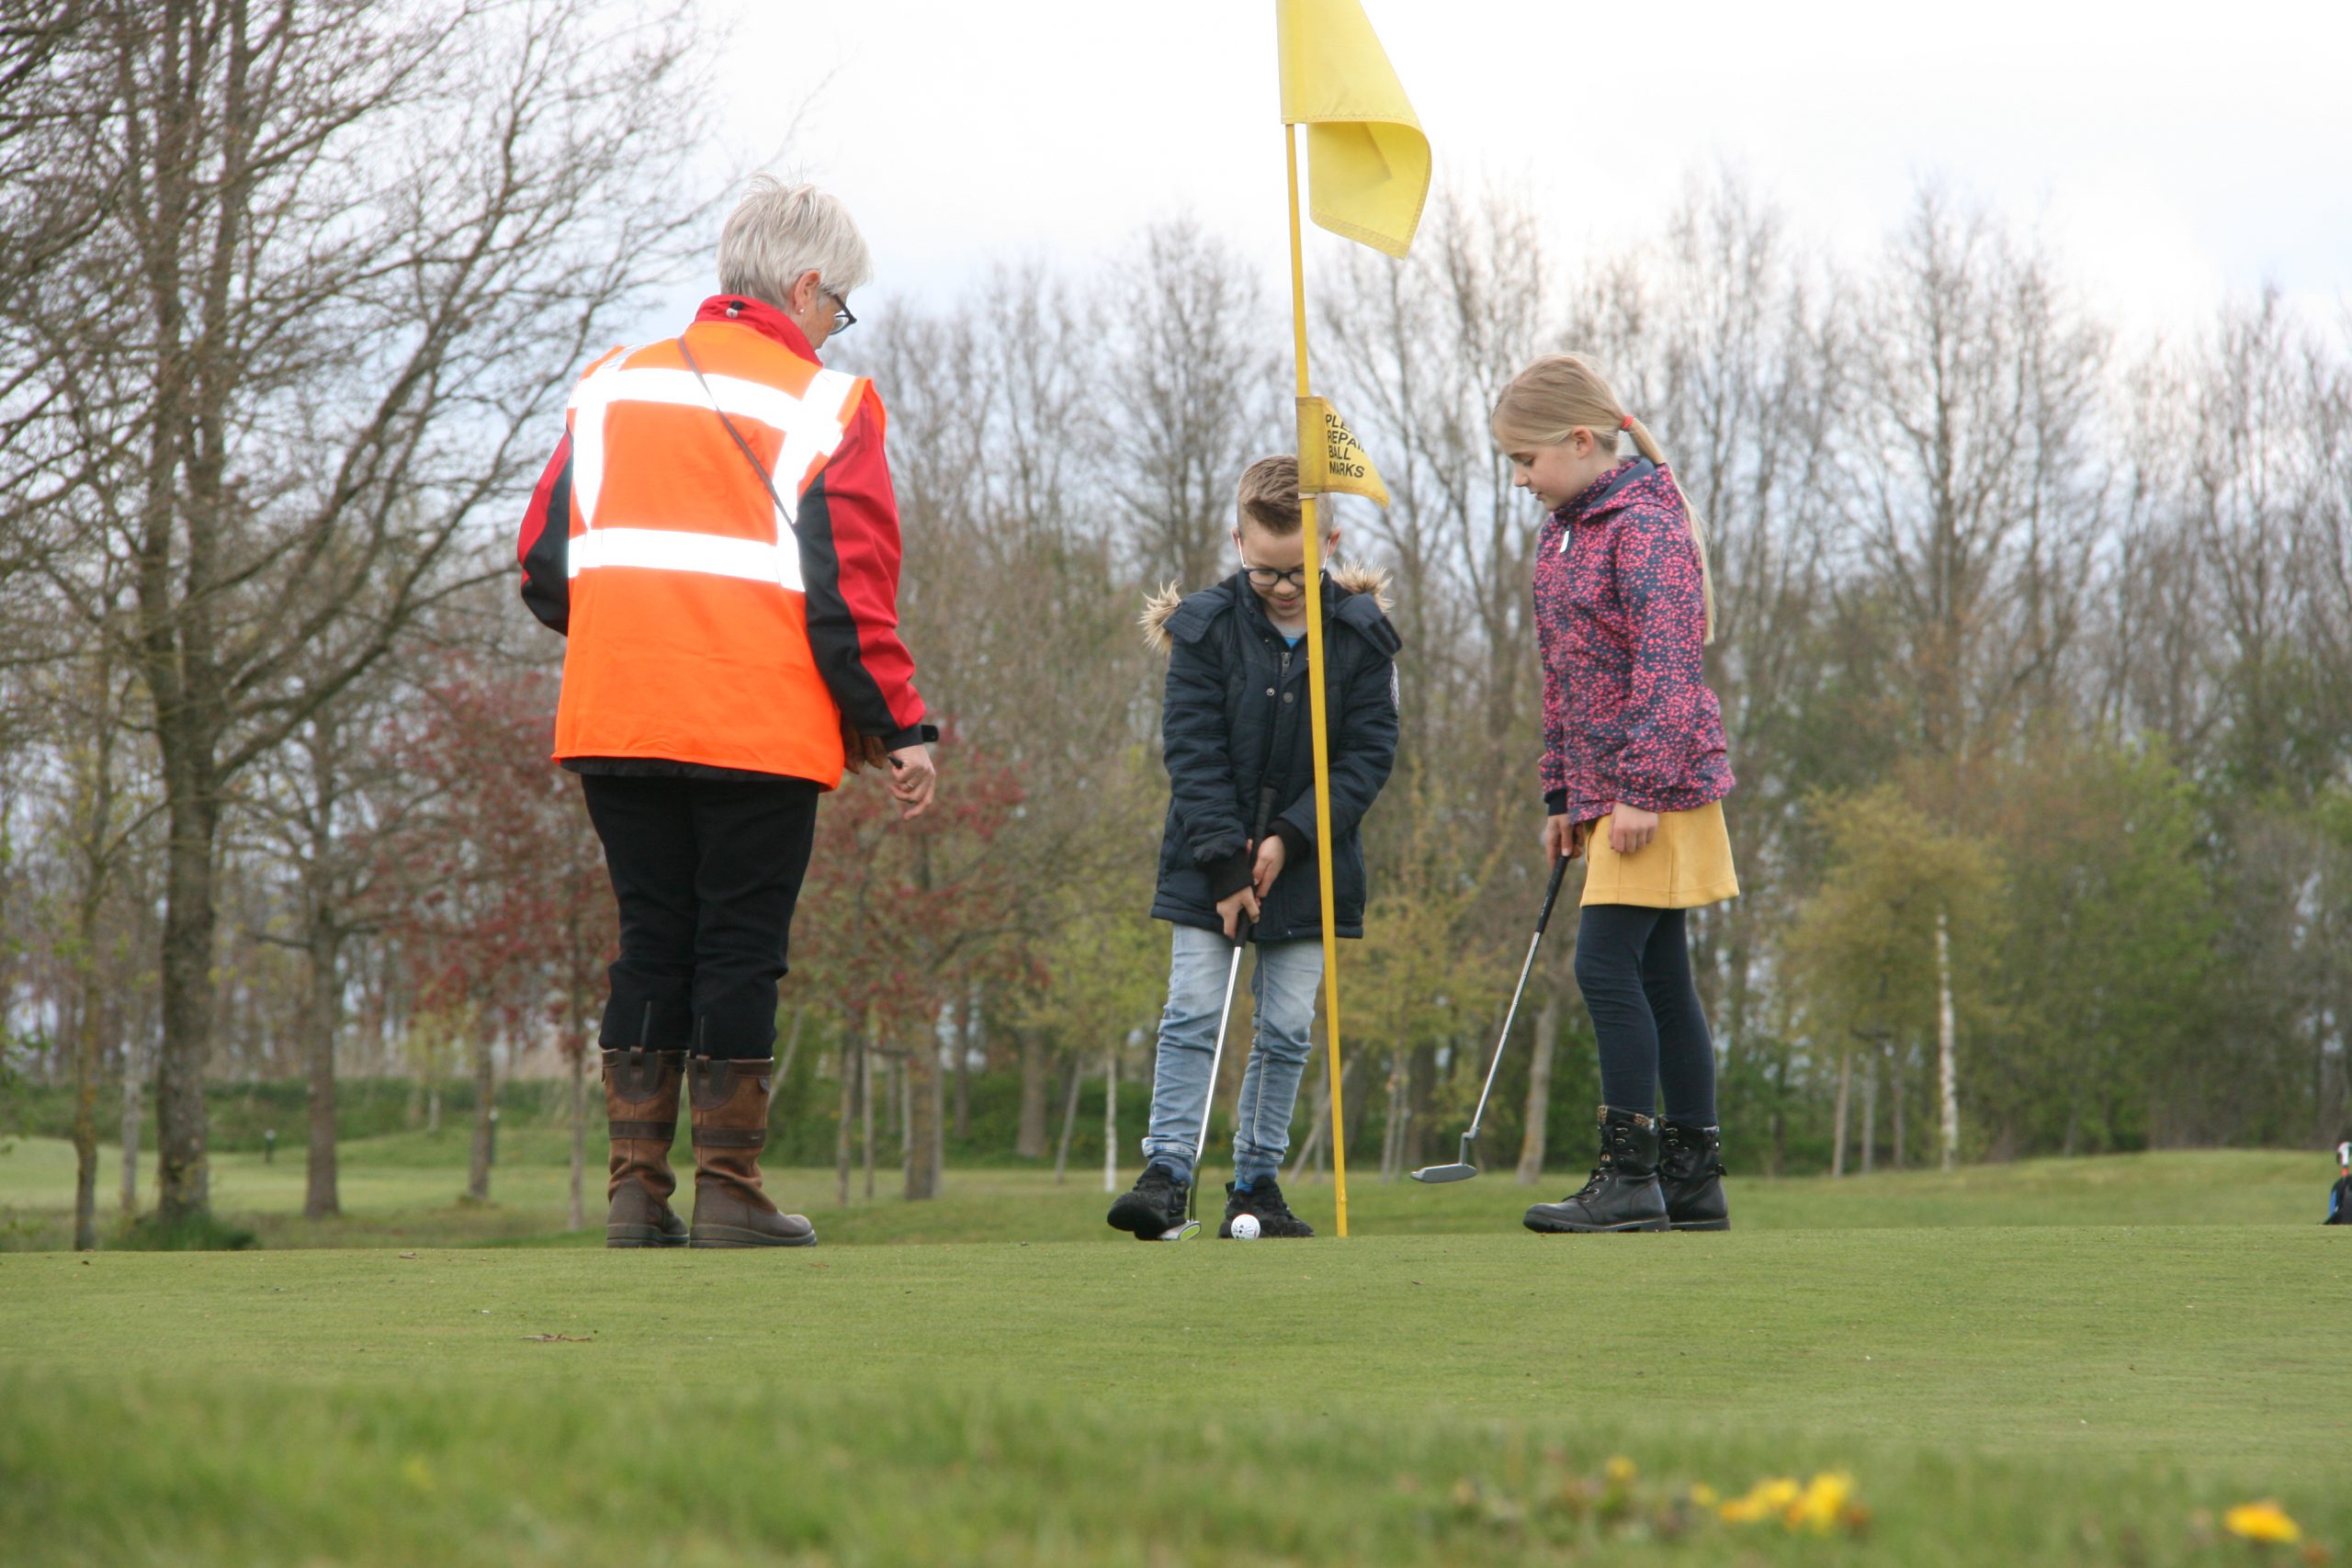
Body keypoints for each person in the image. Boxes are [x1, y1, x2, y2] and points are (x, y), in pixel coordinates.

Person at [516, 178, 937, 1249]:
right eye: (839, 307)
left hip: (614, 717)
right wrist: (901, 726)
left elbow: (540, 564)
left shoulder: (610, 384)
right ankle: (729, 1191)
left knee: (649, 943)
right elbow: (853, 595)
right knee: (741, 947)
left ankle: (632, 1195)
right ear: (804, 287)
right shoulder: (831, 408)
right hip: (756, 728)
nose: (837, 328)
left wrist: (632, 638)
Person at [1106, 457, 1401, 1241]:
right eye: (1262, 569)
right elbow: (1192, 750)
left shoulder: (1363, 637)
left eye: (1298, 570)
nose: (1279, 587)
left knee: (1286, 1027)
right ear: (1238, 540)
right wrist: (1229, 863)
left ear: (1331, 540)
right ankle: (1167, 1171)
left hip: (1312, 864)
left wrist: (1290, 835)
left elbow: (1369, 757)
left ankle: (1257, 1183)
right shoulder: (1202, 627)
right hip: (1208, 861)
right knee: (1194, 1010)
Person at [1491, 354, 1739, 1235]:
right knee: (1661, 977)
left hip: (1657, 791)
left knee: (1605, 966)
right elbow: (1562, 678)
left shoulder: (1645, 526)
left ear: (1582, 440)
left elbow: (1669, 669)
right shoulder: (1564, 531)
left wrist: (1634, 790)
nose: (1520, 479)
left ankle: (1633, 1180)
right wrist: (1562, 793)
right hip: (1606, 796)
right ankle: (1692, 1180)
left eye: (1527, 460)